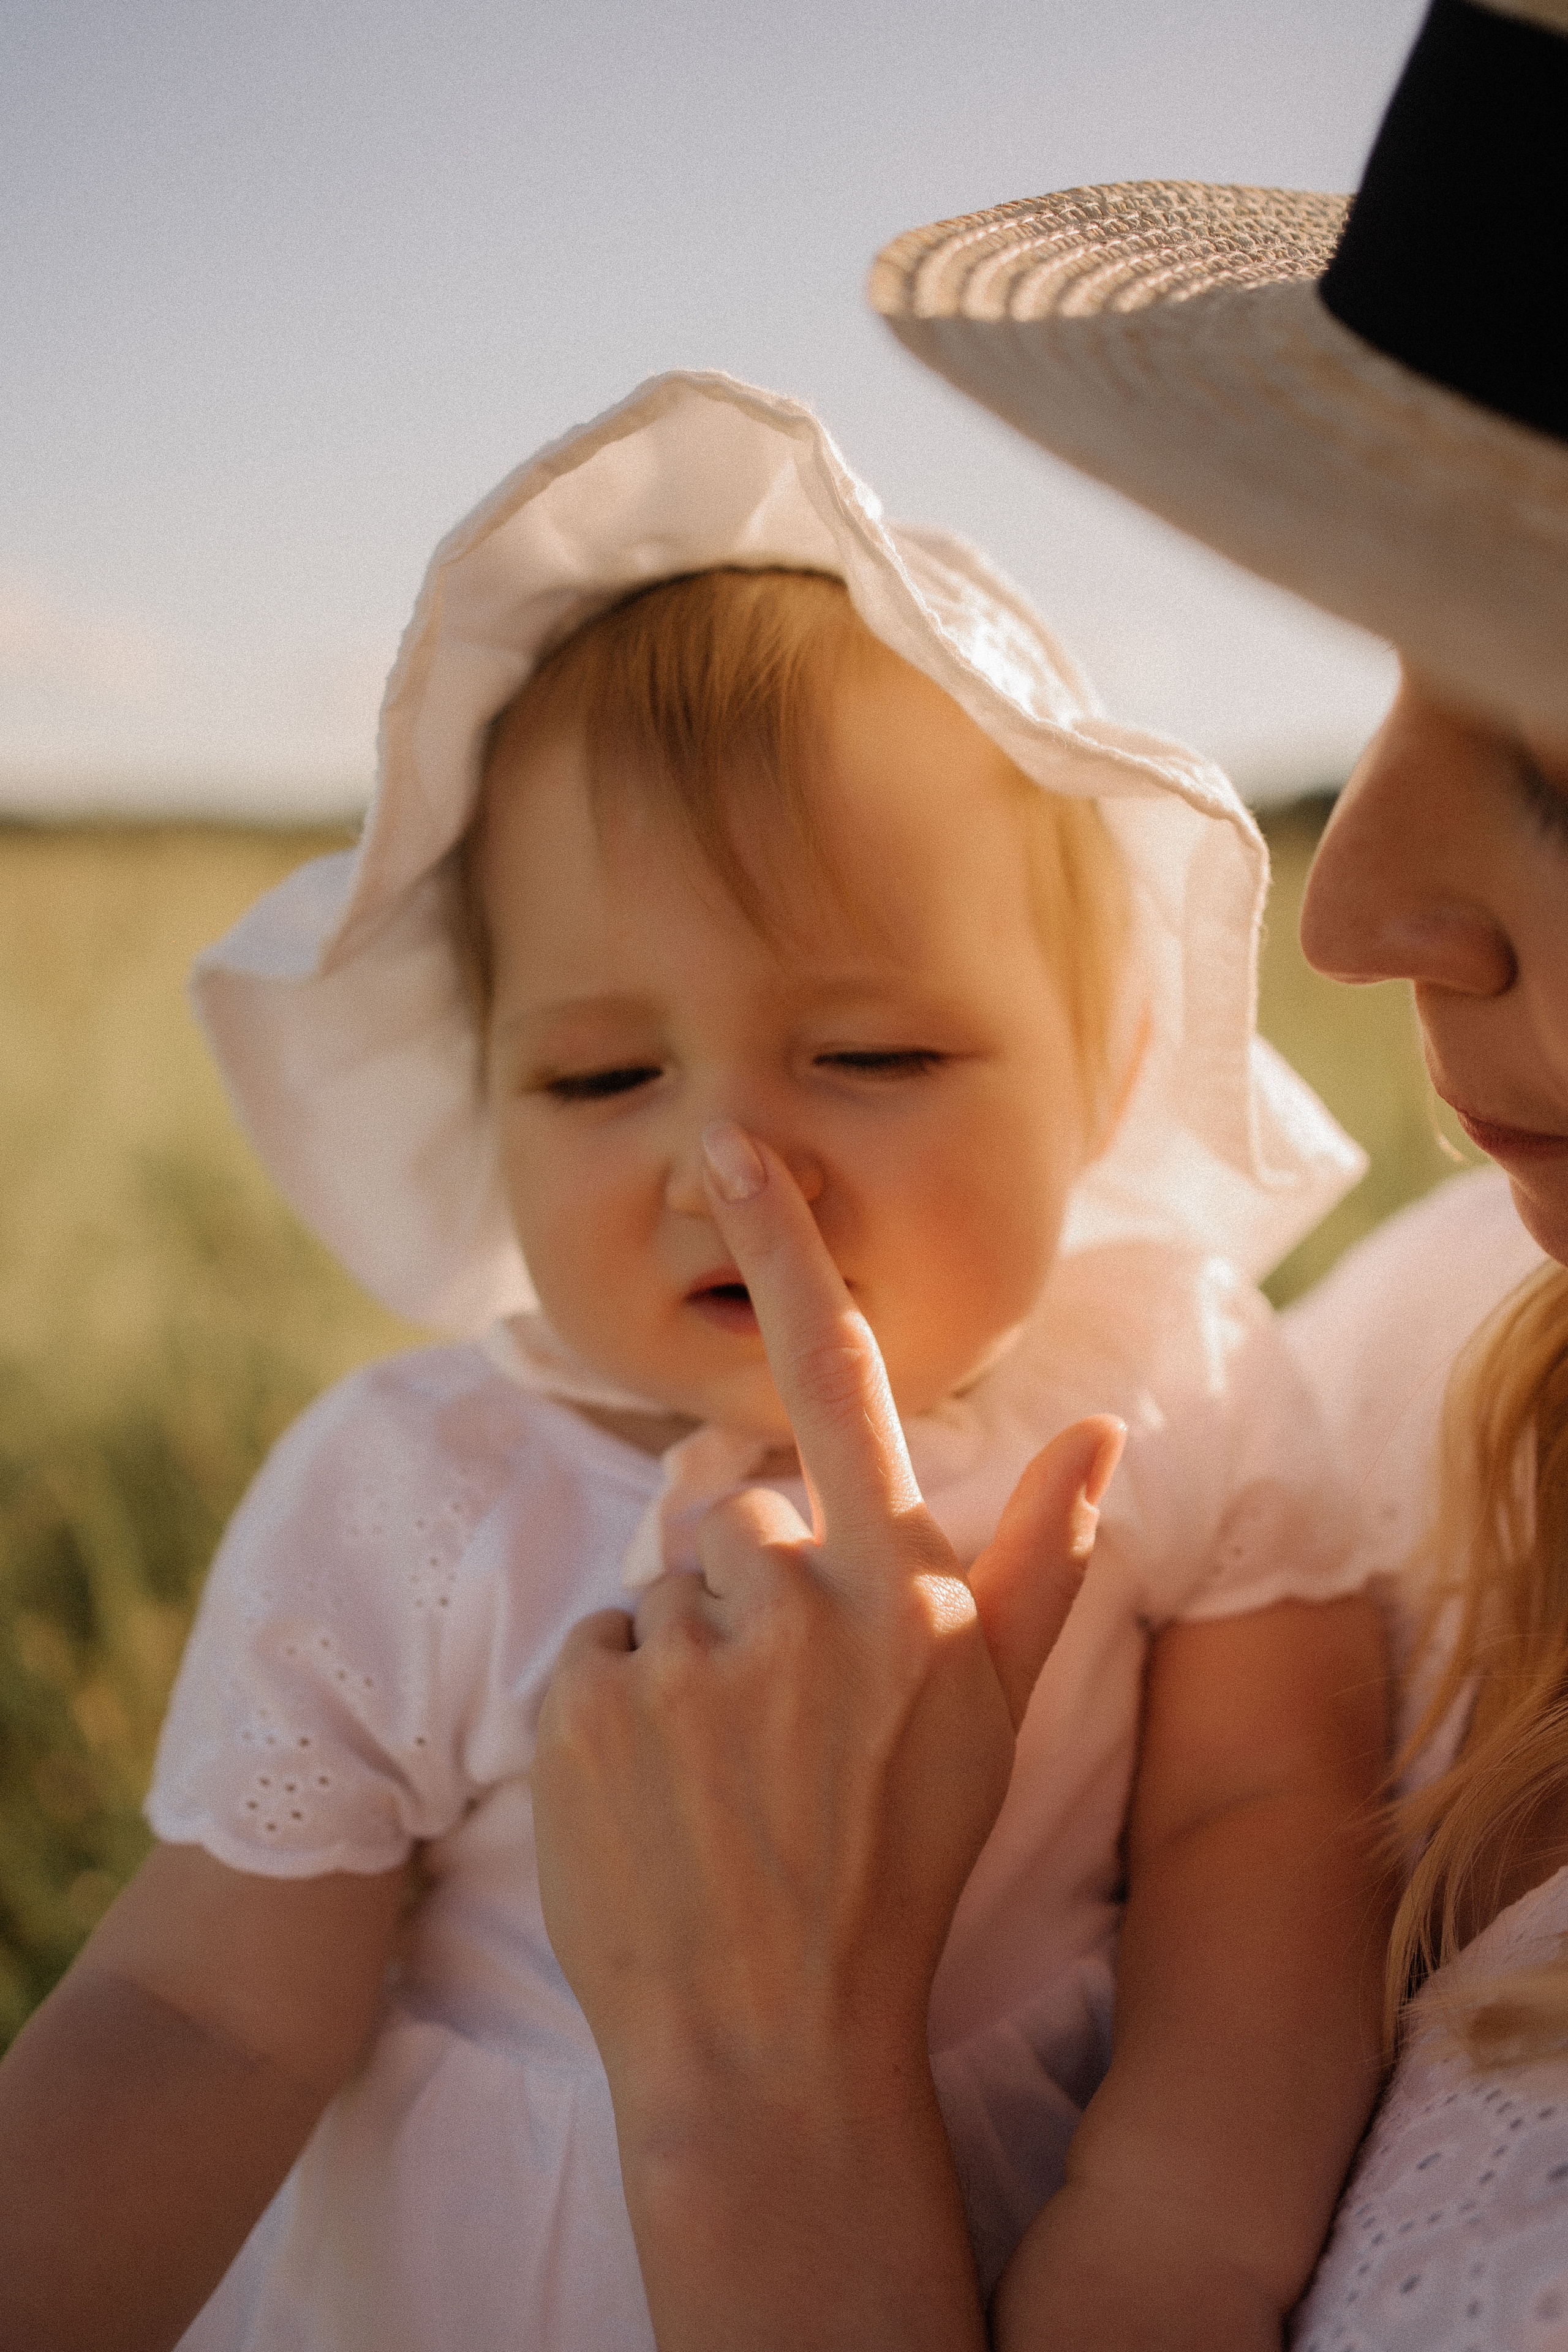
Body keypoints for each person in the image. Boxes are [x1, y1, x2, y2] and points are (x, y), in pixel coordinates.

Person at [0, 372, 1385, 2352]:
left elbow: (1270, 1823)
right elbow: (201, 2010)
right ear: (485, 1097)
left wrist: (1174, 2229)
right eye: (600, 1076)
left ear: (1104, 1077)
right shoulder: (417, 1493)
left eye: (873, 1054)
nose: (730, 1164)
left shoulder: (1174, 1387)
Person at [527, 1, 1568, 2346]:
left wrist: (756, 2098)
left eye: (1561, 753)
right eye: (1406, 668)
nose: (1346, 909)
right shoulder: (1438, 1324)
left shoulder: (1193, 1410)